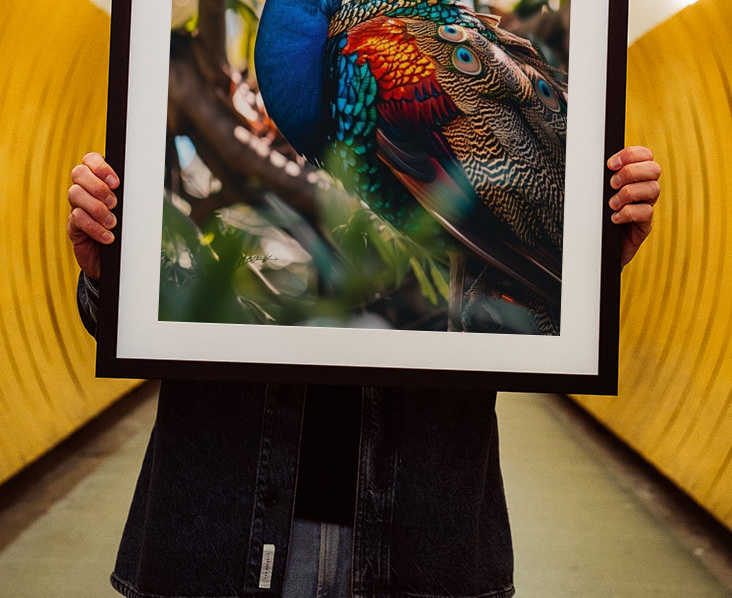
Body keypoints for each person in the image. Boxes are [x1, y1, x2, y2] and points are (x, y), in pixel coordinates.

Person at [68, 146, 661, 598]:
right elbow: (140, 319)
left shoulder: (432, 178)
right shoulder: (234, 201)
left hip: (419, 541)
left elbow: (503, 322)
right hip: (222, 531)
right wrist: (109, 275)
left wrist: (579, 268)